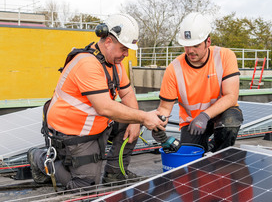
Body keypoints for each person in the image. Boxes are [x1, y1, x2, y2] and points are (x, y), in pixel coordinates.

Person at [27, 13, 166, 190]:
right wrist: (144, 118)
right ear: (108, 41)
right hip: (72, 132)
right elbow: (104, 107)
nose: (126, 54)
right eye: (123, 49)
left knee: (133, 118)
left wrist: (136, 122)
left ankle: (114, 173)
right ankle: (39, 158)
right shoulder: (87, 64)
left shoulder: (115, 64)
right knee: (84, 187)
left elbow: (128, 93)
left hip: (96, 125)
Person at [156, 12, 243, 153]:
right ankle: (207, 152)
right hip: (192, 121)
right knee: (191, 155)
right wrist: (158, 125)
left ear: (207, 42)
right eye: (186, 46)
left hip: (220, 113)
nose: (190, 51)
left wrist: (205, 115)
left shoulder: (224, 56)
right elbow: (165, 108)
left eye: (195, 45)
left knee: (230, 122)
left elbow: (231, 96)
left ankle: (218, 156)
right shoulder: (174, 68)